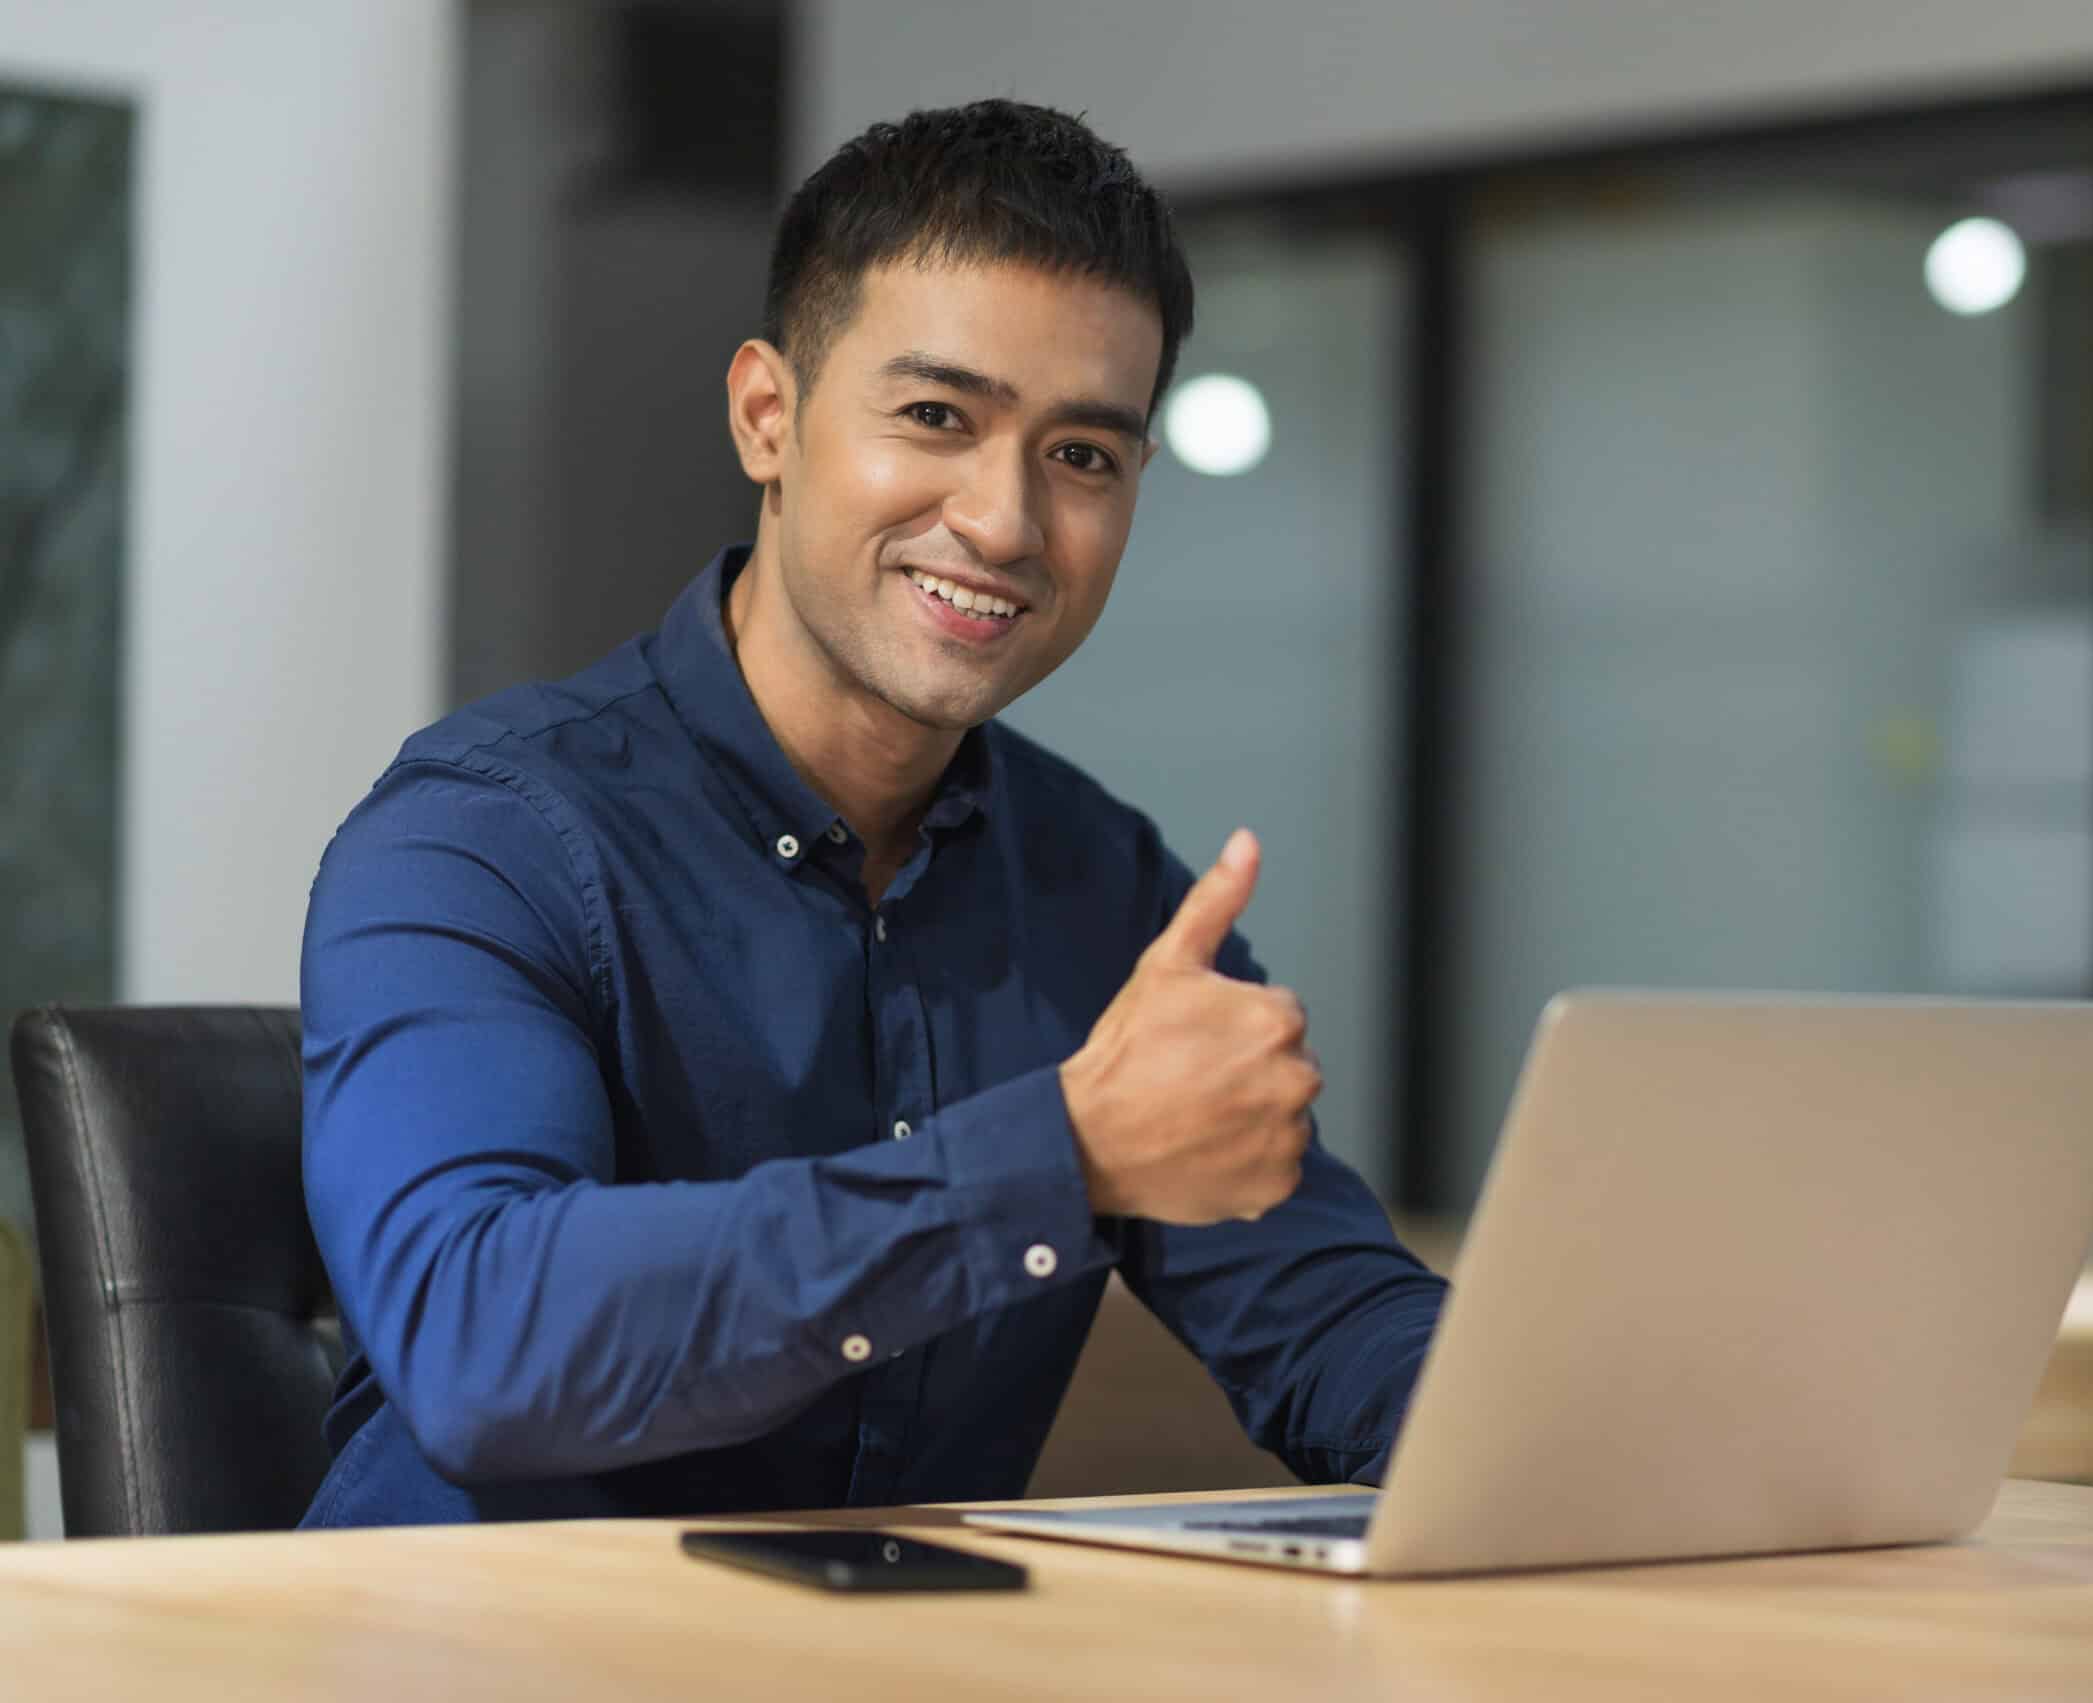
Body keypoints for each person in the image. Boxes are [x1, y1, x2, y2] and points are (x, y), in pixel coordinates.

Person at [297, 100, 1447, 1527]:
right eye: (937, 418)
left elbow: (1331, 1328)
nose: (1009, 521)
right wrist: (1062, 1156)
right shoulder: (485, 837)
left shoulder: (1107, 892)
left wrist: (1604, 1429)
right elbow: (484, 1344)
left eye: (1084, 455)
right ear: (767, 415)